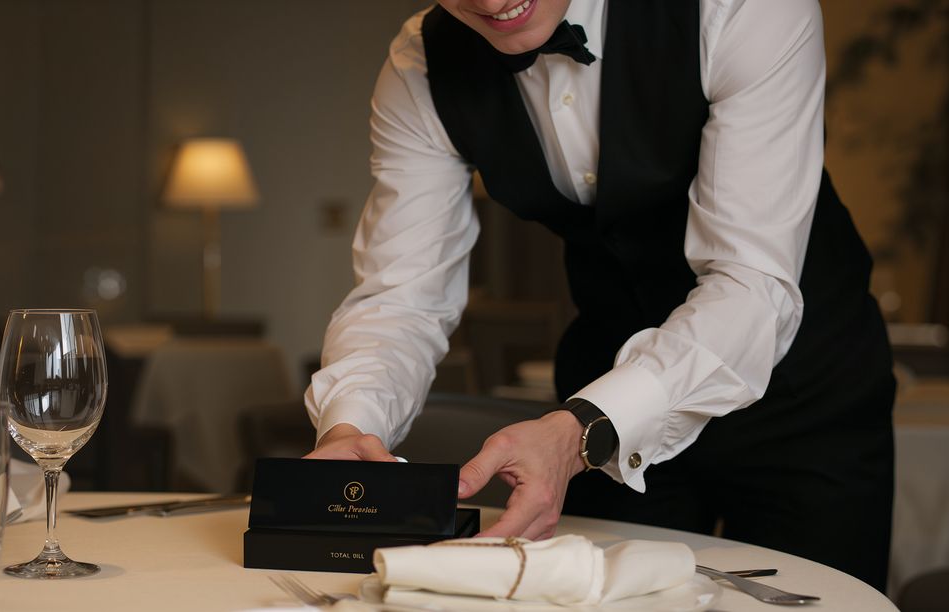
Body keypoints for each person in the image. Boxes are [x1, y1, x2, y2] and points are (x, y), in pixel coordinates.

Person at [304, 0, 895, 591]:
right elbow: (402, 296)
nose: (488, 1)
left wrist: (584, 430)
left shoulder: (745, 9)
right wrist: (351, 423)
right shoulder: (420, 66)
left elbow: (751, 284)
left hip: (802, 393)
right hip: (603, 386)